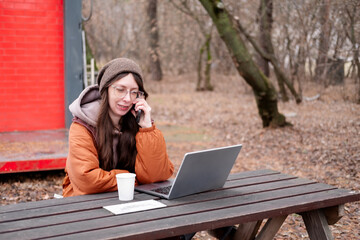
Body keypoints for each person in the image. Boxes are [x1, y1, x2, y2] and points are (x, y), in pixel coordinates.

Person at [62, 58, 174, 197]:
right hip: (85, 203)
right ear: (106, 90)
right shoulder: (82, 126)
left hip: (130, 199)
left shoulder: (140, 125)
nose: (127, 99)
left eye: (134, 92)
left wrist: (147, 128)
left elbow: (157, 175)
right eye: (120, 90)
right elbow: (87, 180)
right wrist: (131, 180)